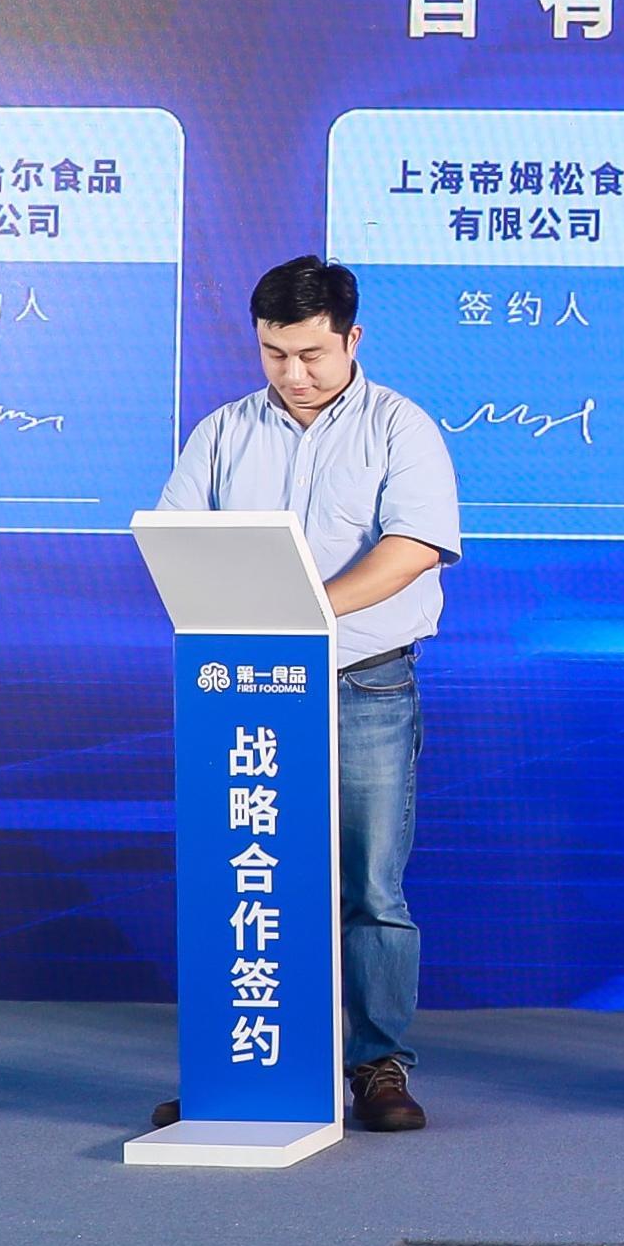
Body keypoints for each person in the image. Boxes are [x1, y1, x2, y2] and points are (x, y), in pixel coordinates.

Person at [154, 257, 462, 1134]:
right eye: (274, 353)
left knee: (370, 885)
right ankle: (246, 1064)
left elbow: (414, 547)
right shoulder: (222, 432)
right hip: (245, 688)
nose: (293, 373)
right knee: (248, 874)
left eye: (312, 353)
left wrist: (308, 605)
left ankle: (377, 1062)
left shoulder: (400, 426)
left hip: (364, 680)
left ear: (351, 337)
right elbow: (175, 537)